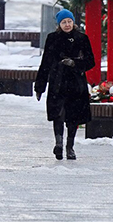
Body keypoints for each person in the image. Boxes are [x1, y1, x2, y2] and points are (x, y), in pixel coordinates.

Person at [35, 8, 95, 161]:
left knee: (73, 117)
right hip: (58, 82)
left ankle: (70, 146)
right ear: (59, 24)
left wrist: (75, 63)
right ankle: (59, 143)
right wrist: (40, 86)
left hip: (76, 83)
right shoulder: (52, 38)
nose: (67, 24)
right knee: (58, 114)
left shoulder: (82, 38)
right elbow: (45, 63)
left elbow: (90, 61)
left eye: (69, 21)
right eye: (63, 22)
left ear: (73, 22)